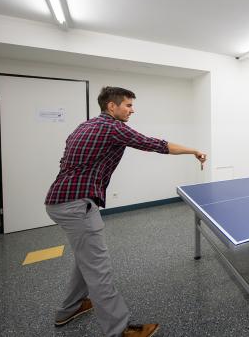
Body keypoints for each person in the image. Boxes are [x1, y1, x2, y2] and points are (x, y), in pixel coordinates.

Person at [45, 86, 206, 337]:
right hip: (77, 205)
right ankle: (119, 330)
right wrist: (193, 150)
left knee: (84, 259)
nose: (132, 109)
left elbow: (65, 159)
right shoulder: (112, 127)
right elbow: (154, 144)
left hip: (58, 200)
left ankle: (70, 308)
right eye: (128, 105)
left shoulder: (84, 126)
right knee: (99, 269)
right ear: (112, 106)